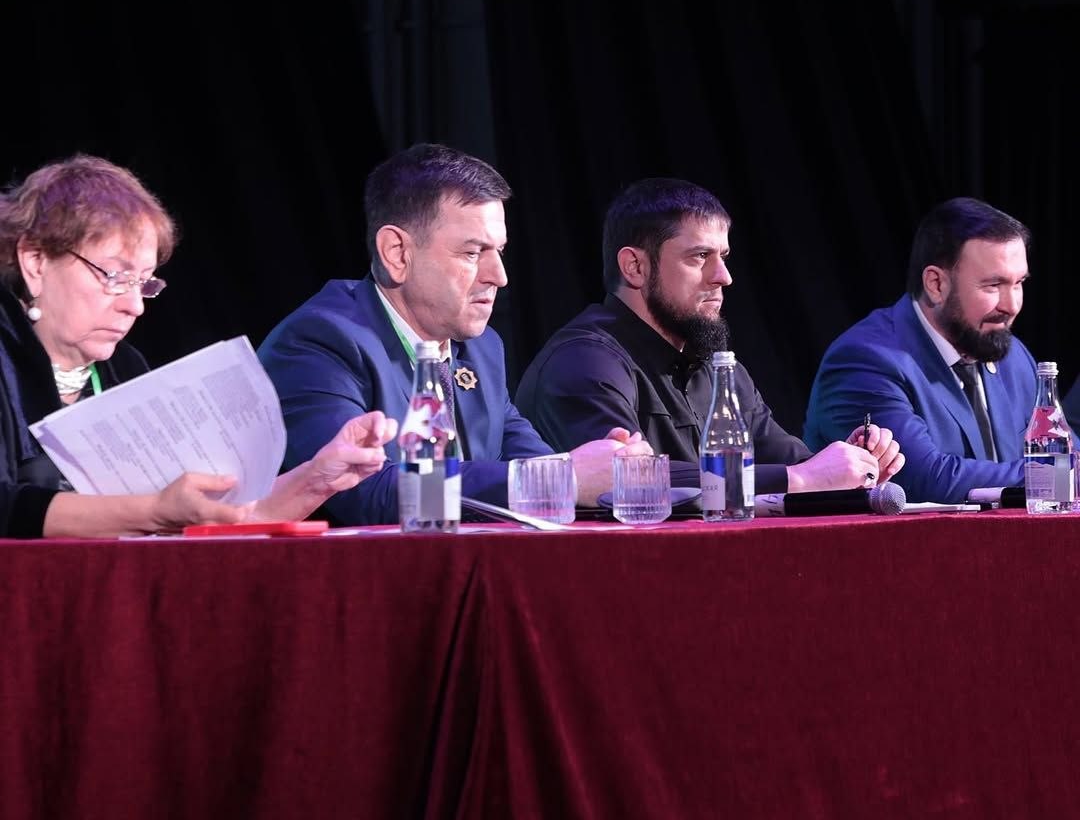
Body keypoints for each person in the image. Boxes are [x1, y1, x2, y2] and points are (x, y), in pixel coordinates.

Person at [0, 155, 396, 539]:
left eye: (144, 283)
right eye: (116, 276)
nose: (135, 306)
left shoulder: (124, 368)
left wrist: (318, 478)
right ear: (35, 261)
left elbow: (216, 516)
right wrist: (154, 511)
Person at [258, 143, 650, 525]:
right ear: (397, 253)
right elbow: (368, 492)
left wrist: (602, 464)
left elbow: (530, 461)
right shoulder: (319, 342)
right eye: (472, 253)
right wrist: (565, 478)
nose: (499, 276)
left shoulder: (481, 348)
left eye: (499, 251)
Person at [515, 178, 903, 493]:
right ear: (635, 267)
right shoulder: (583, 361)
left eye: (724, 257)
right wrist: (801, 480)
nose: (723, 277)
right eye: (700, 256)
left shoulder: (720, 371)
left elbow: (792, 462)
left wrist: (852, 467)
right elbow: (628, 481)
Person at [804, 197, 1037, 503]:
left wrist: (1063, 468)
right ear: (936, 284)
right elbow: (926, 480)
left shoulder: (1013, 356)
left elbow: (1065, 452)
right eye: (993, 285)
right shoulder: (864, 360)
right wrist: (1053, 474)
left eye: (1018, 283)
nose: (1012, 305)